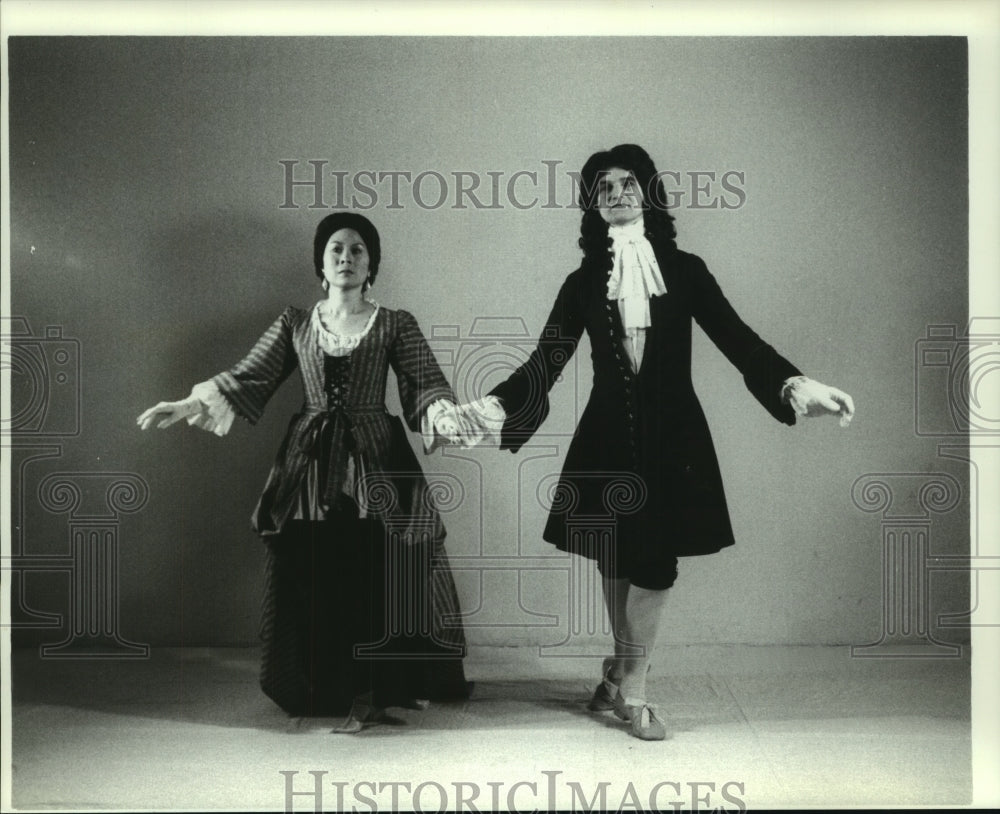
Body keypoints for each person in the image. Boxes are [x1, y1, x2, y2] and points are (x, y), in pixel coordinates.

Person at [459, 144, 854, 741]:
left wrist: (797, 386)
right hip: (607, 434)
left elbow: (739, 340)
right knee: (616, 556)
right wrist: (487, 410)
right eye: (604, 187)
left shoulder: (686, 270)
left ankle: (635, 686)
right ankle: (622, 668)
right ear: (592, 204)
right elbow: (546, 362)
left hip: (674, 439)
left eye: (628, 183)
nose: (617, 193)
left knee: (656, 563)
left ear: (648, 191)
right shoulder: (582, 282)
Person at [137, 212, 473, 732]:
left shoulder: (394, 323)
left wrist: (442, 413)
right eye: (336, 248)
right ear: (321, 262)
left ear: (371, 264)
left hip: (377, 458)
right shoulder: (296, 323)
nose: (346, 257)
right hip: (311, 461)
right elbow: (250, 376)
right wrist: (189, 404)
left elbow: (424, 382)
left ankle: (379, 689)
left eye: (357, 250)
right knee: (319, 571)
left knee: (380, 569)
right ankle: (329, 689)